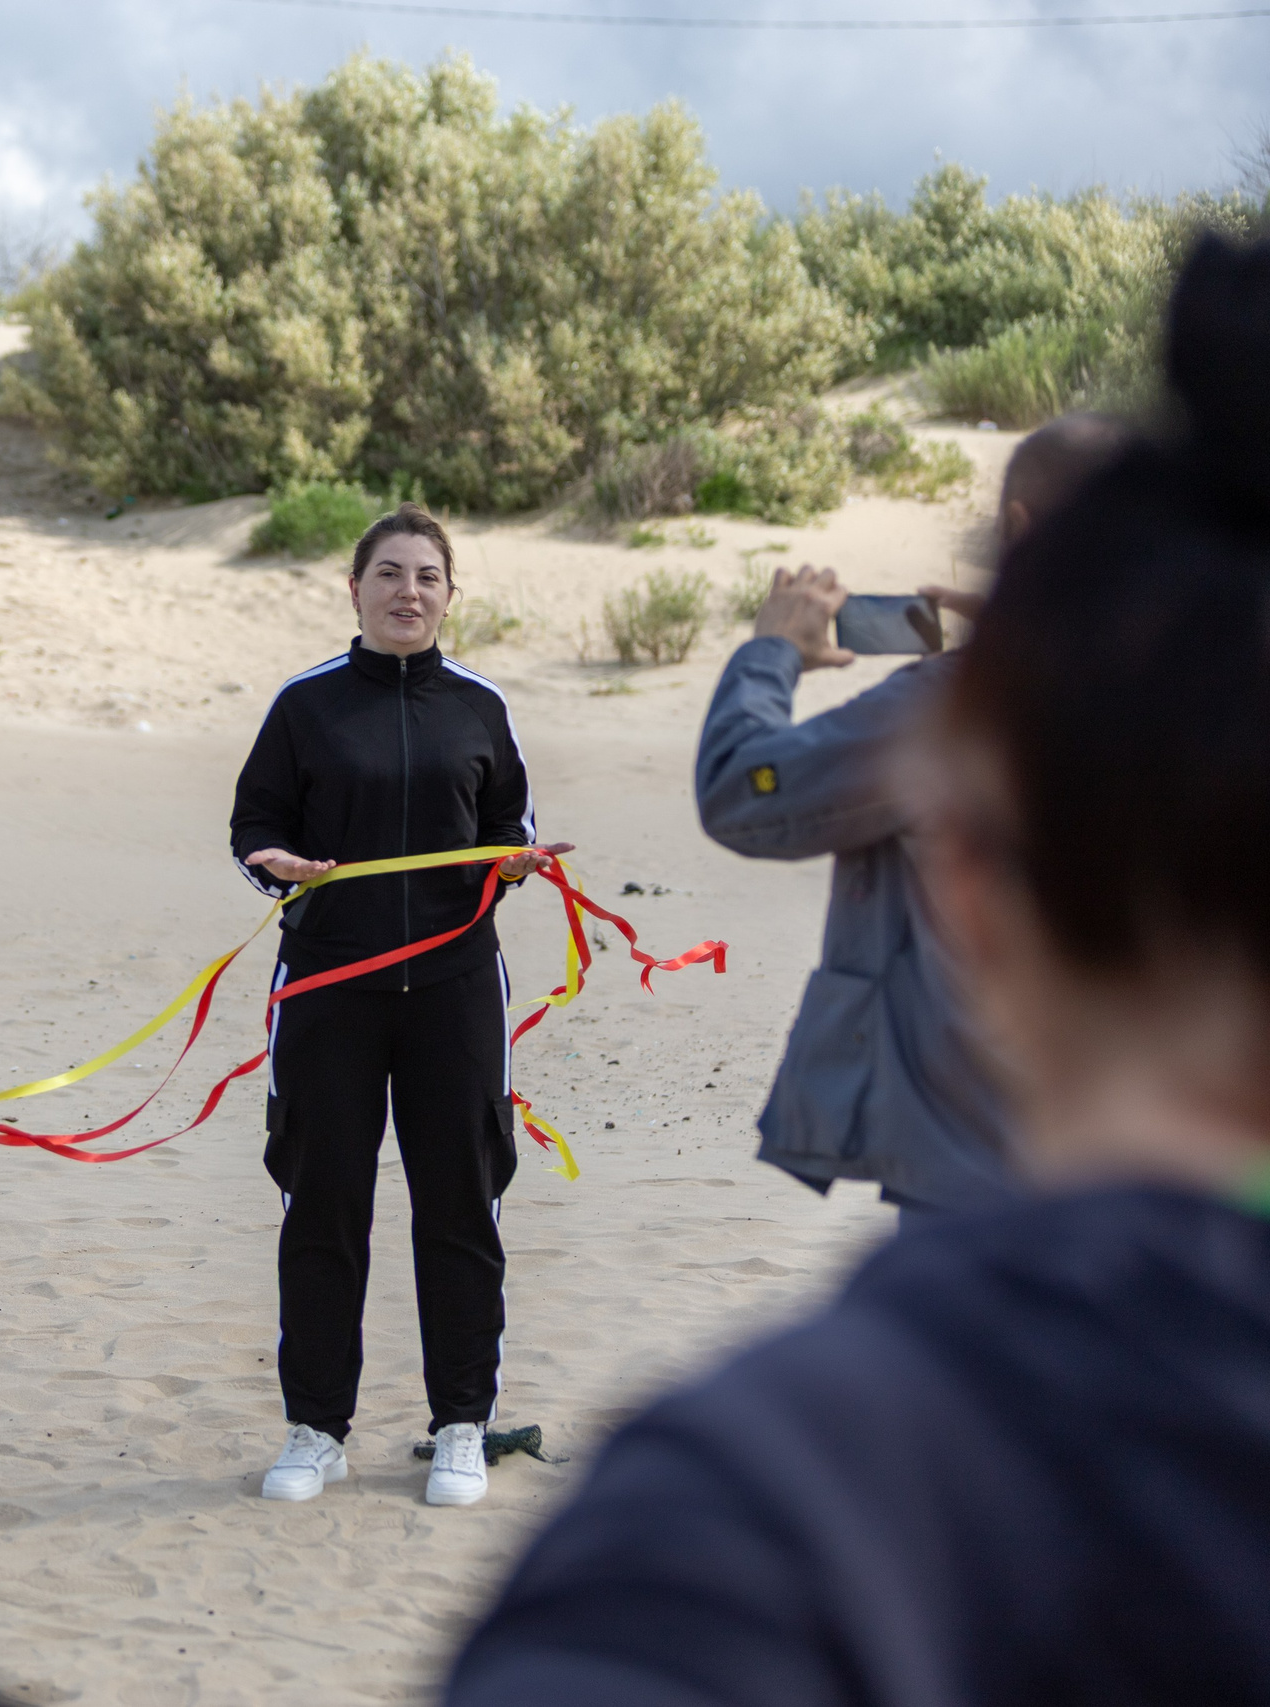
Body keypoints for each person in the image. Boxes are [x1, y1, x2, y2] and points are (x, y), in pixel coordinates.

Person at [444, 233, 1270, 1704]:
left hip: (975, 1181)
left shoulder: (771, 1496)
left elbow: (746, 789)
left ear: (979, 889)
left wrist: (771, 646)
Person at [694, 412, 1128, 1217]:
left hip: (979, 1163)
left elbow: (742, 791)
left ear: (1019, 529)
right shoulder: (1214, 693)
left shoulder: (955, 706)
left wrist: (772, 651)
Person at [229, 504, 568, 1509]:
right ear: (355, 590)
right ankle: (315, 1430)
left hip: (455, 992)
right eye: (388, 573)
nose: (406, 592)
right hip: (329, 988)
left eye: (426, 576)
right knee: (322, 1203)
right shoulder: (306, 706)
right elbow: (254, 824)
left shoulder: (479, 705)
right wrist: (274, 865)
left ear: (448, 595)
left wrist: (512, 866)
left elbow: (510, 823)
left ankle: (460, 1422)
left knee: (461, 1203)